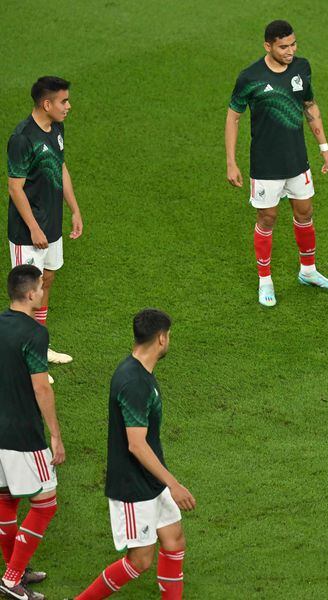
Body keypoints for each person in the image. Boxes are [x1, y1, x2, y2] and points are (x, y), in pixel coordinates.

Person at [75, 309, 195, 599]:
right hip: (133, 485)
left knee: (174, 539)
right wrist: (173, 484)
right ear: (161, 339)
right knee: (139, 561)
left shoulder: (139, 373)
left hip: (150, 478)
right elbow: (136, 445)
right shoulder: (134, 383)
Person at [225, 19, 328, 307]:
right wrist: (231, 162)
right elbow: (233, 117)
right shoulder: (249, 77)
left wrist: (324, 147)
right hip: (265, 165)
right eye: (283, 46)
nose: (290, 51)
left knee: (305, 212)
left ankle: (308, 271)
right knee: (267, 218)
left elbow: (309, 105)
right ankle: (265, 280)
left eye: (293, 44)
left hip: (297, 159)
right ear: (268, 46)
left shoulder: (302, 68)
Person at [6, 76, 84, 376]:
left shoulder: (56, 128)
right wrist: (34, 229)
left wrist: (74, 209)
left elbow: (61, 167)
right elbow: (15, 188)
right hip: (28, 233)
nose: (68, 106)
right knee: (26, 292)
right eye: (63, 101)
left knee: (47, 280)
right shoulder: (22, 138)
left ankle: (37, 345)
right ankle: (25, 357)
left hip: (52, 226)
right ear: (46, 103)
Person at [0, 266, 65, 600]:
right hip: (23, 434)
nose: (43, 290)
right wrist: (55, 435)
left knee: (6, 502)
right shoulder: (35, 334)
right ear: (29, 294)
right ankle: (11, 578)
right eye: (40, 286)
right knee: (45, 503)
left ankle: (16, 568)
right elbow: (42, 388)